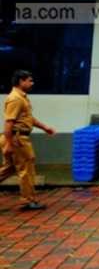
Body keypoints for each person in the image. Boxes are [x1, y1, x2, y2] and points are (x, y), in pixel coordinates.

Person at [0, 71, 56, 211]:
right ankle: (27, 201)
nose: (32, 83)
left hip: (16, 137)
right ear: (21, 82)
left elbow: (27, 117)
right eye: (29, 81)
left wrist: (44, 127)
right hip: (17, 138)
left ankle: (27, 200)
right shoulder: (16, 99)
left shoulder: (21, 97)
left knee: (9, 169)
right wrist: (9, 143)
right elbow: (8, 122)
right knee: (27, 170)